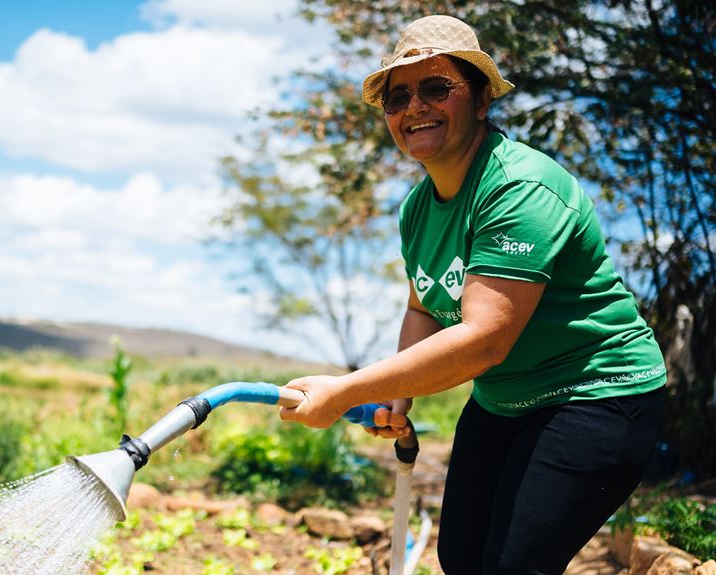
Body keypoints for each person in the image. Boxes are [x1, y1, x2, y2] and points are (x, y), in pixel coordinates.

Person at [278, 14, 666, 575]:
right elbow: (421, 307)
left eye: (437, 88)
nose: (415, 107)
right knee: (462, 559)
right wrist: (398, 396)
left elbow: (484, 340)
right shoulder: (417, 208)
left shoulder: (520, 188)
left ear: (481, 100)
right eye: (397, 97)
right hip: (503, 401)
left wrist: (343, 391)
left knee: (513, 566)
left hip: (595, 394)